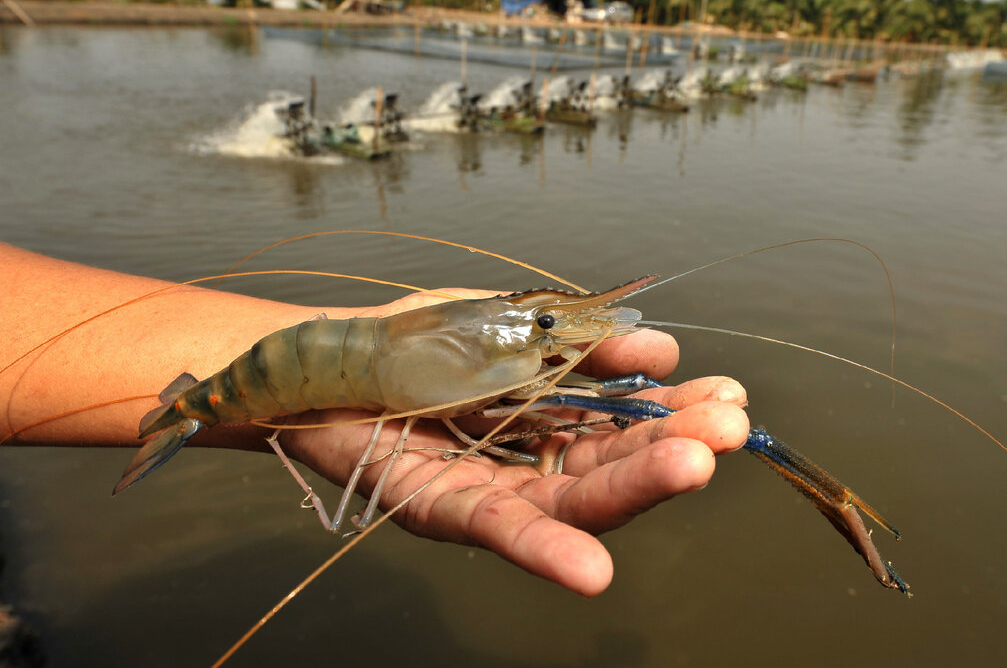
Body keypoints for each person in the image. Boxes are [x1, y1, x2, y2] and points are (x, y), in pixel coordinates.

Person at [0, 243, 749, 596]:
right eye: (544, 327)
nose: (552, 336)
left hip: (309, 366)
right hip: (271, 378)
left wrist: (541, 339)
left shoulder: (492, 339)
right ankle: (190, 411)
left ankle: (190, 408)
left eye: (541, 324)